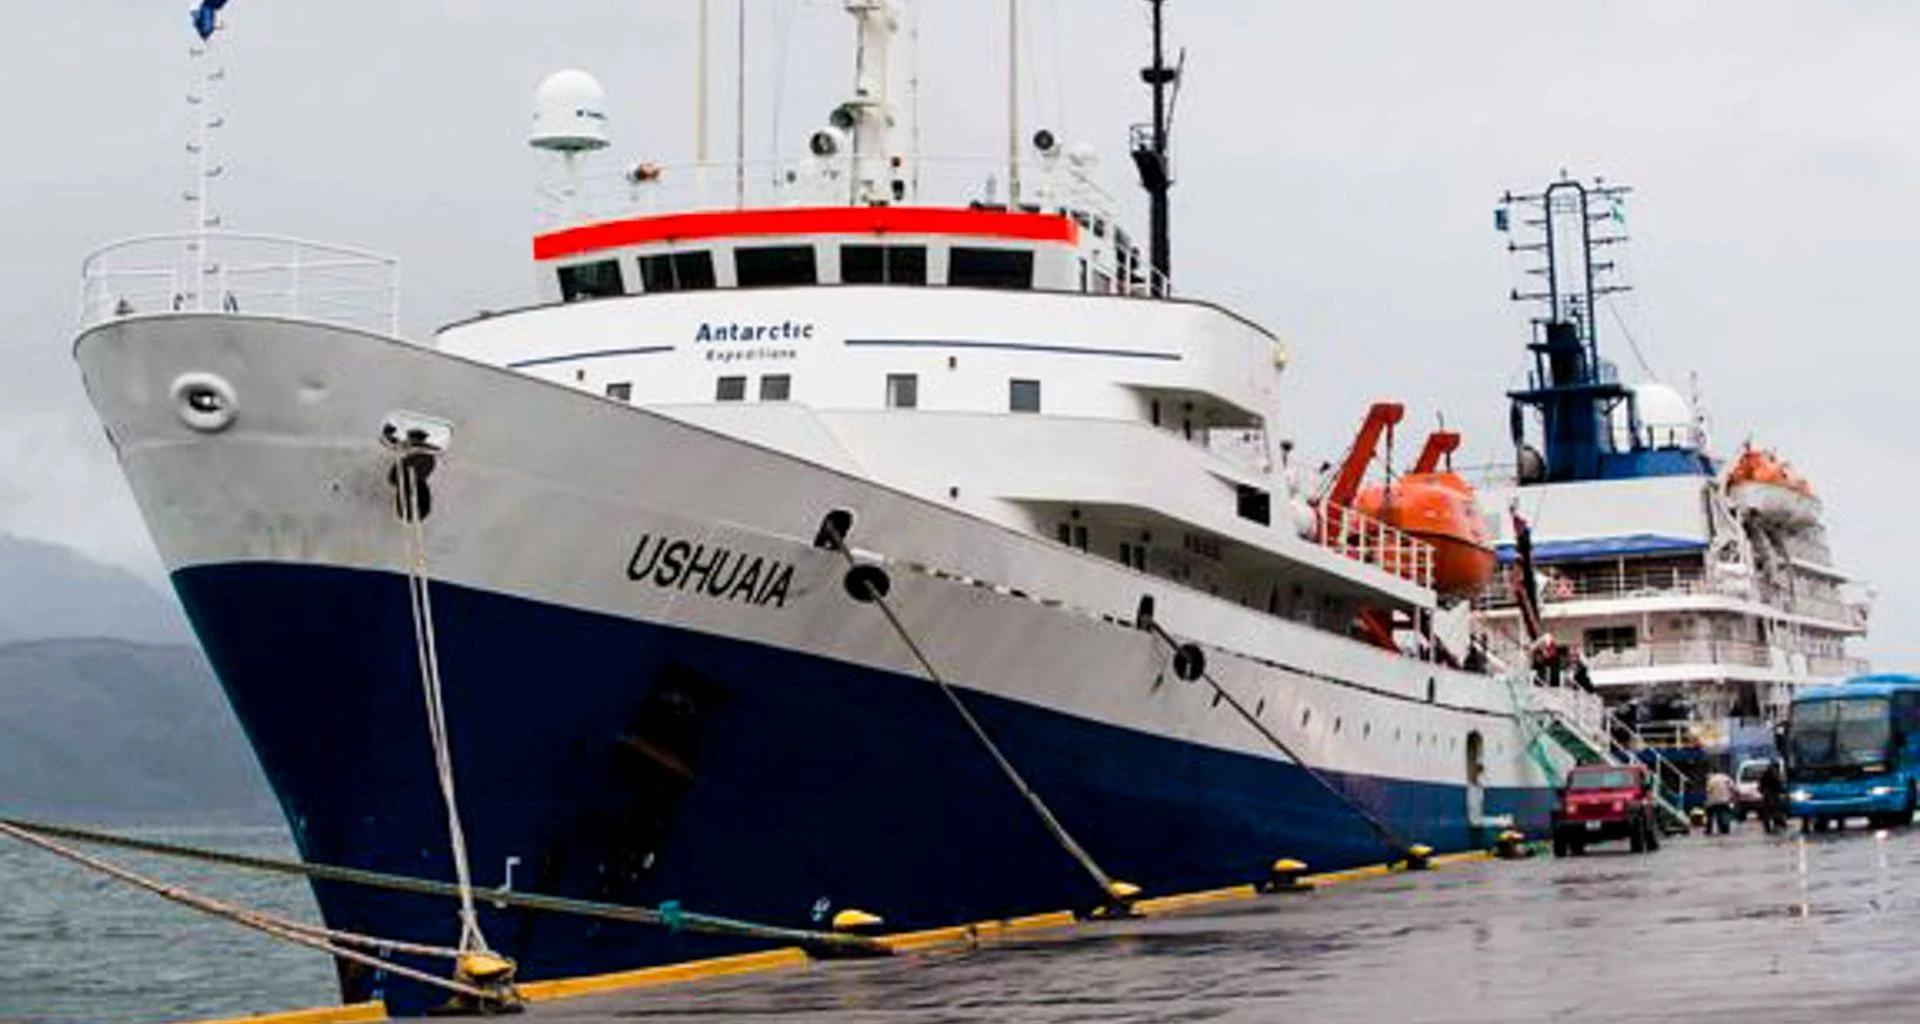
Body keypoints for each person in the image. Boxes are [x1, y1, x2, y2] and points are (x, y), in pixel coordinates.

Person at [1704, 769, 1736, 836]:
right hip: (1725, 800)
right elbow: (1733, 788)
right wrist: (1732, 797)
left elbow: (1708, 790)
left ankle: (1708, 830)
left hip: (1713, 801)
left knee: (1710, 815)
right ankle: (1725, 829)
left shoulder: (1711, 780)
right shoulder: (1726, 778)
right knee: (1725, 814)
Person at [1758, 760, 1787, 834]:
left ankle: (1772, 825)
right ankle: (1777, 824)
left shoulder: (1767, 774)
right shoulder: (1774, 775)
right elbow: (1778, 785)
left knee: (1769, 812)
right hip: (1771, 795)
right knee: (1775, 811)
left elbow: (1760, 786)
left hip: (1769, 795)